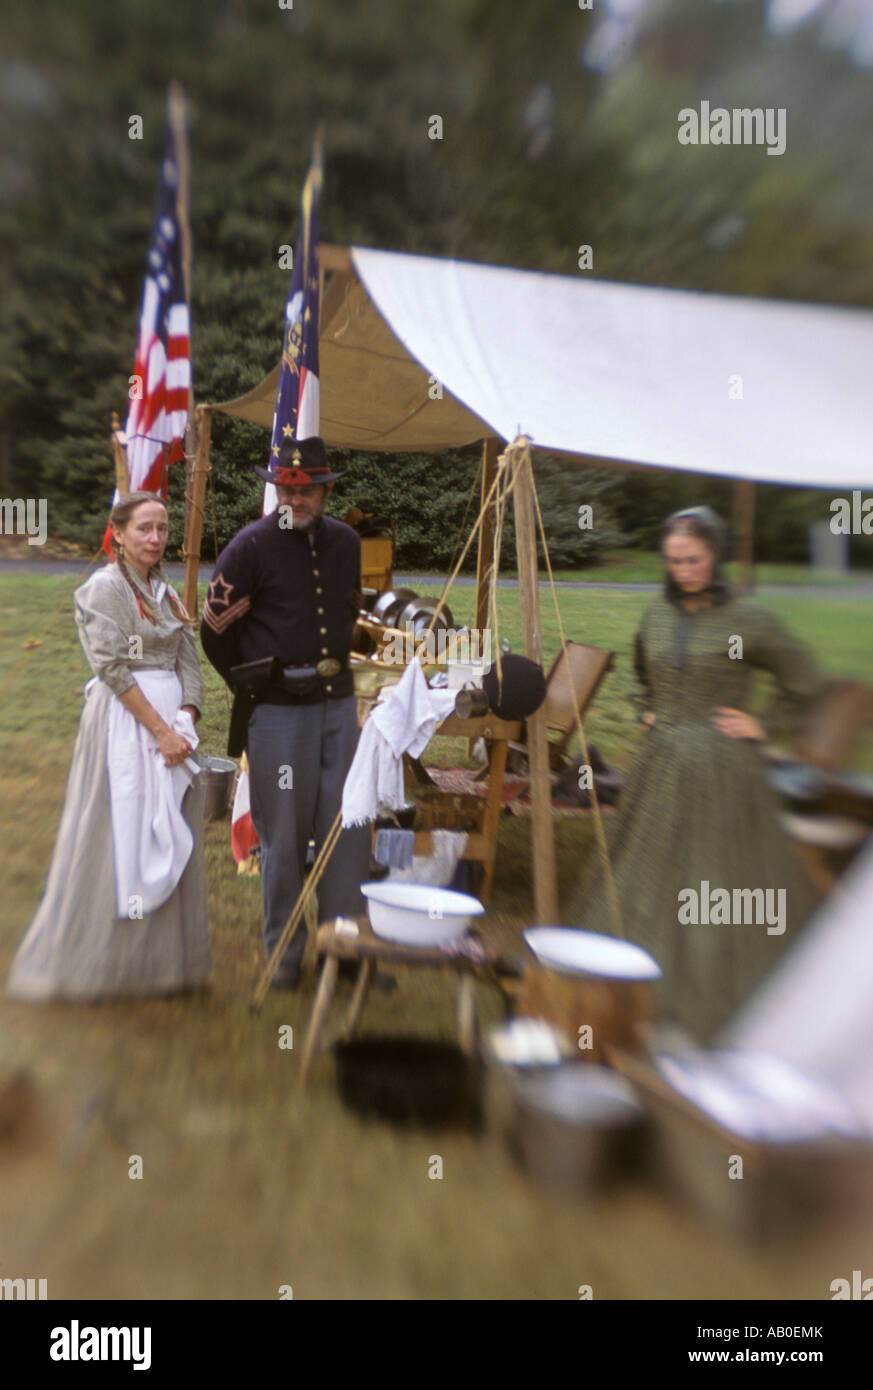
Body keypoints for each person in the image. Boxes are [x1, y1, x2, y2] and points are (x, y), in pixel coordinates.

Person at [566, 505, 826, 1040]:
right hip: (660, 763)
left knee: (714, 879)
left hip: (723, 769)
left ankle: (709, 999)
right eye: (674, 560)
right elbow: (641, 671)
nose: (683, 570)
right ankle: (627, 989)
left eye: (694, 559)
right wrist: (645, 708)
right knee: (643, 875)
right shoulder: (657, 613)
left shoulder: (746, 618)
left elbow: (804, 680)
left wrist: (763, 723)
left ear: (716, 556)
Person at [7, 492, 211, 1001]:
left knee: (169, 830)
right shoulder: (103, 589)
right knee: (117, 835)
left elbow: (188, 656)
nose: (156, 538)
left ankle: (161, 966)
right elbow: (113, 669)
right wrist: (159, 731)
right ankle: (96, 964)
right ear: (117, 533)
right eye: (144, 528)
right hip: (127, 720)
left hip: (170, 723)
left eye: (163, 529)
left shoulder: (163, 590)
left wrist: (185, 716)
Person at [200, 437, 371, 990]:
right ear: (277, 489)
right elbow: (215, 630)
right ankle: (285, 955)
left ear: (325, 491)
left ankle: (342, 950)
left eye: (308, 490)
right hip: (277, 713)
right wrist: (251, 682)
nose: (296, 499)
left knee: (345, 829)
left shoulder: (347, 542)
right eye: (287, 488)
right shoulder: (249, 546)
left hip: (338, 705)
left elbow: (349, 609)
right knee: (284, 837)